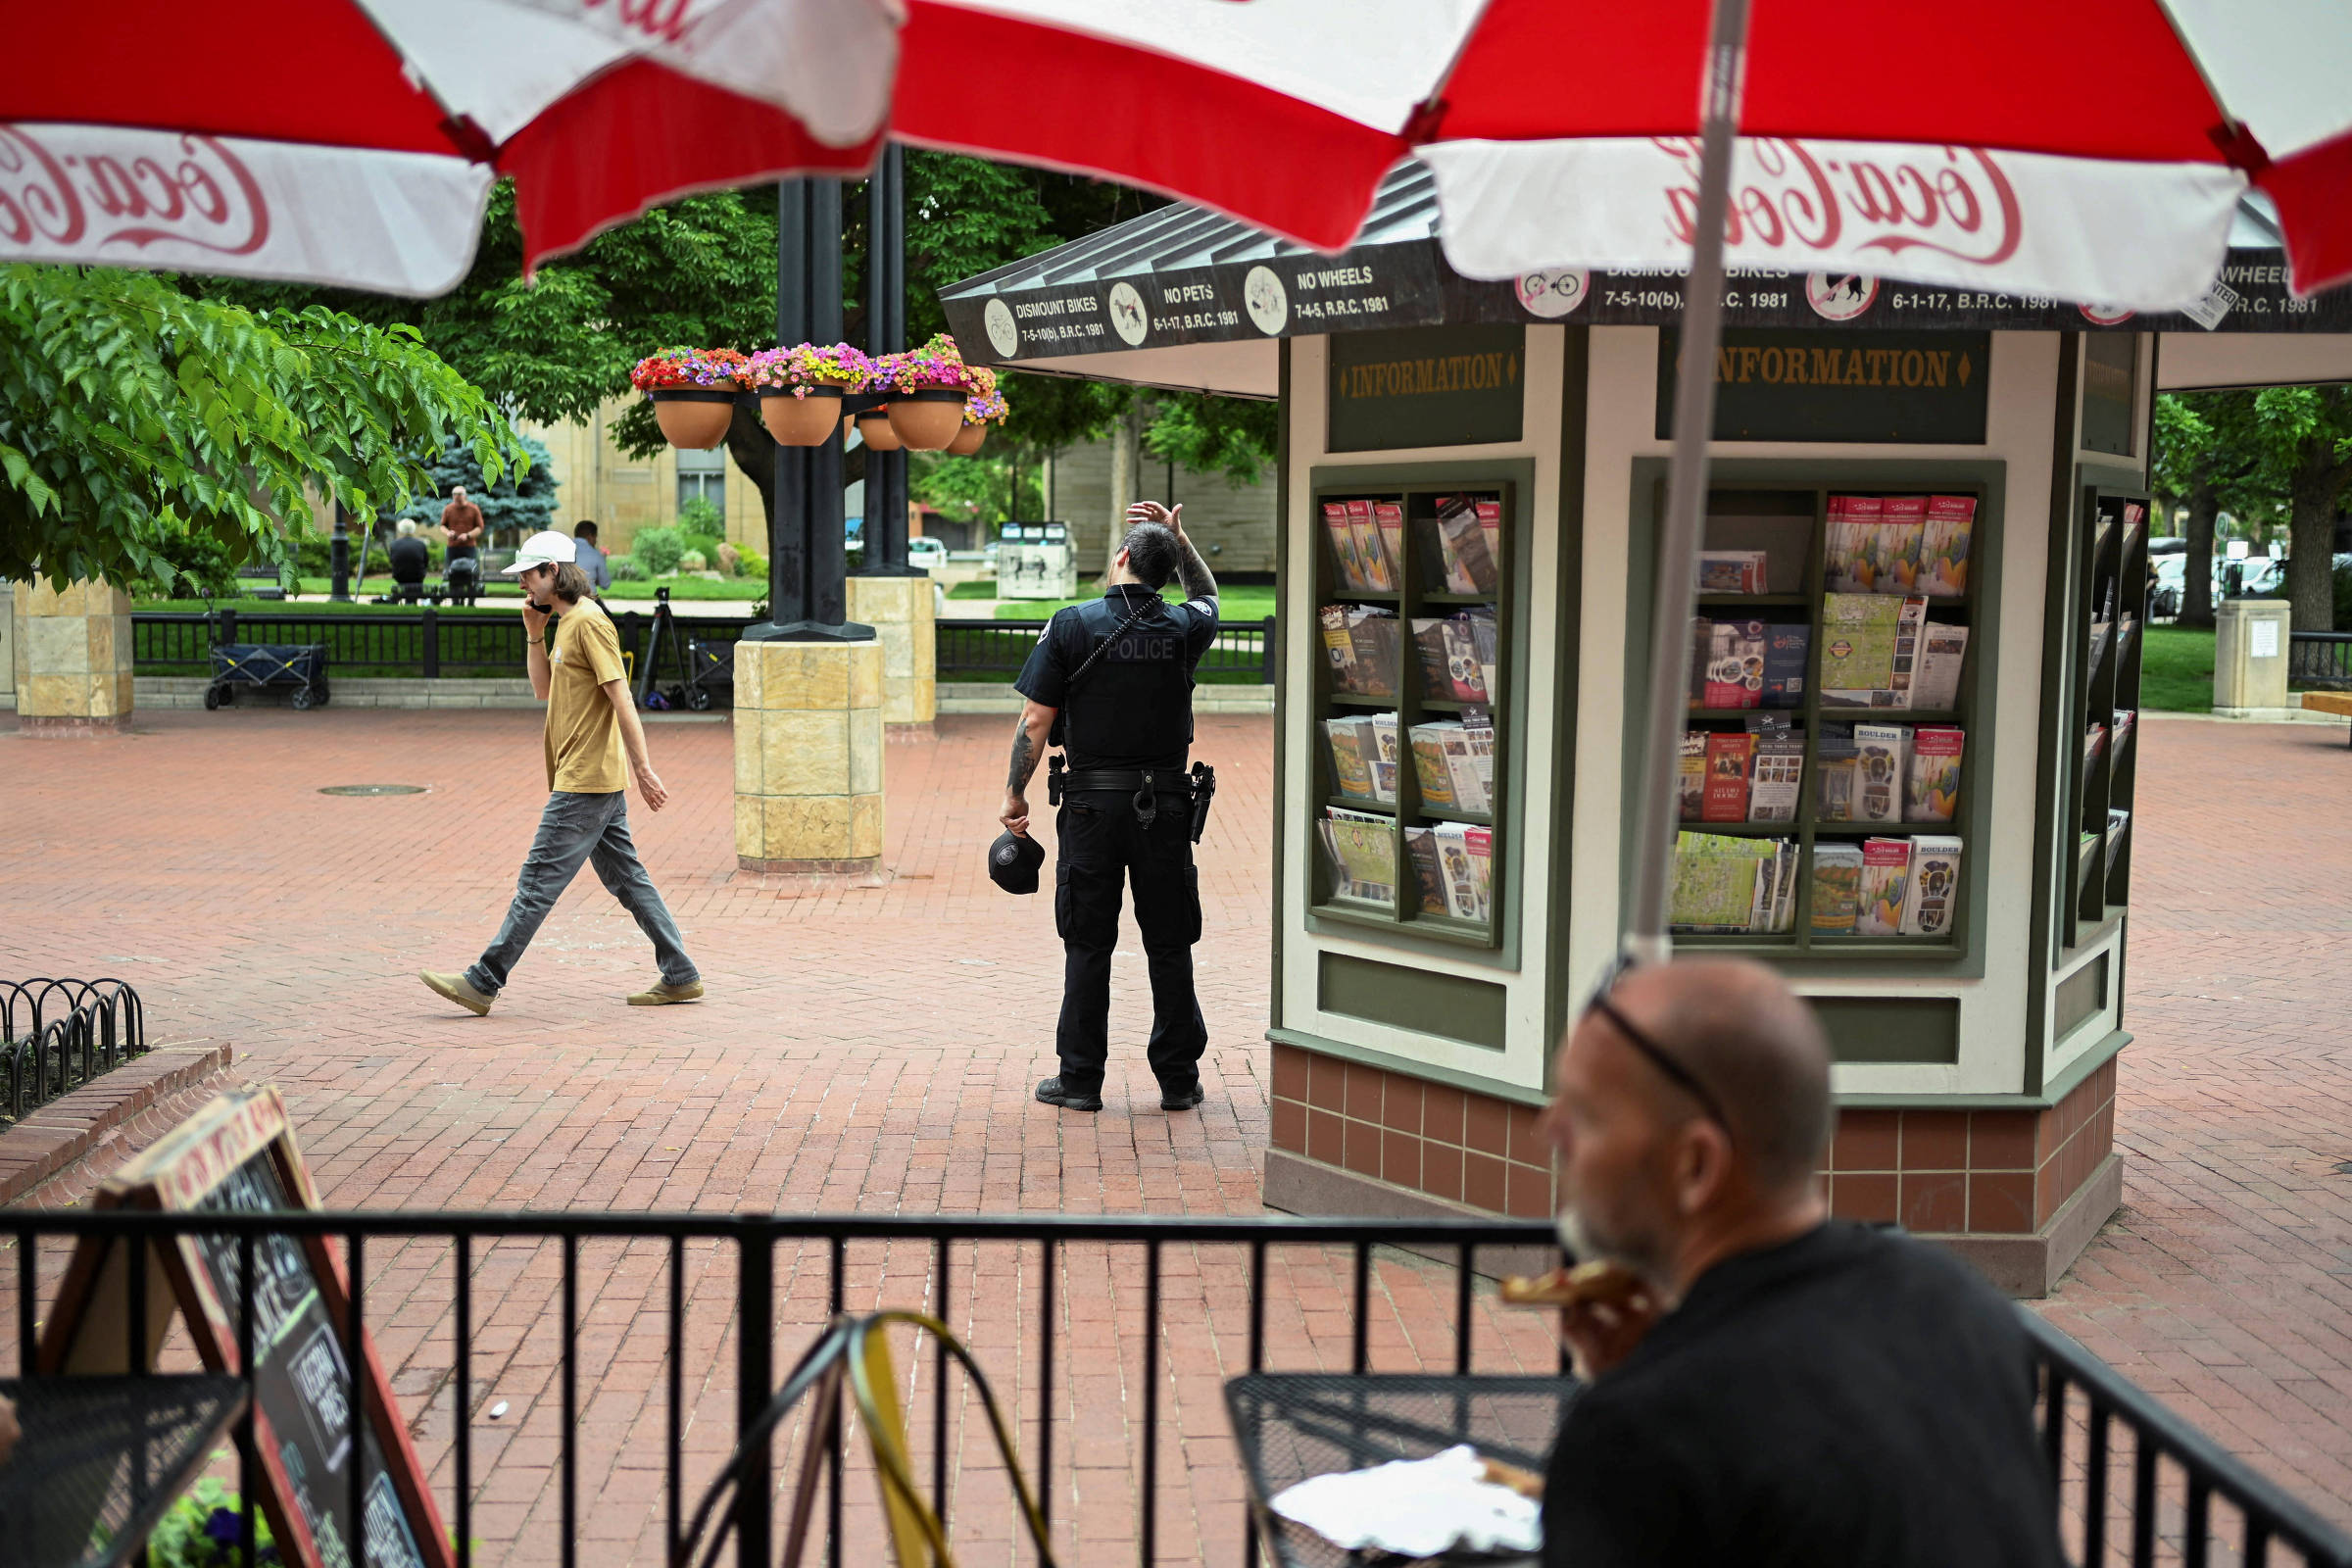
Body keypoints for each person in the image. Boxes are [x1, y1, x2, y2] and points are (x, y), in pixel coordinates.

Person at [1535, 956, 2065, 1568]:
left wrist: (1646, 1393)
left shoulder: (1637, 1438)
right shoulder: (1962, 1306)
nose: (1551, 1131)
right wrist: (1654, 1367)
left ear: (1696, 1166)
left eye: (1586, 1114)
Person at [420, 530, 703, 1015]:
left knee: (537, 880)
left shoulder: (589, 622)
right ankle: (680, 974)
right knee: (628, 880)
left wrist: (643, 767)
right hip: (589, 777)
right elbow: (544, 691)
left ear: (553, 571)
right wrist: (534, 632)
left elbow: (621, 697)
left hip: (585, 779)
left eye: (529, 575)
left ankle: (483, 982)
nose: (522, 584)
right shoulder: (567, 623)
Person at [1003, 501, 1218, 1113]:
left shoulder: (1071, 625)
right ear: (1166, 570)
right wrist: (1180, 541)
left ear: (1122, 556)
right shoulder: (1184, 626)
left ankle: (1079, 1081)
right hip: (1166, 807)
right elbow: (1208, 598)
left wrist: (1015, 792)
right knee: (1169, 943)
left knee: (1088, 943)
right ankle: (1178, 1080)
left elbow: (1035, 719)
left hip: (1090, 810)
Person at [441, 485, 485, 564]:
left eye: (459, 494)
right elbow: (442, 526)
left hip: (469, 546)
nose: (456, 497)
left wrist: (468, 535)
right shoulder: (448, 509)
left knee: (470, 569)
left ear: (465, 496)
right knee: (451, 570)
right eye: (454, 494)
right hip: (452, 546)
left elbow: (480, 527)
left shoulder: (474, 508)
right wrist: (448, 533)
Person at [387, 518, 430, 593]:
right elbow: (426, 562)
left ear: (400, 529)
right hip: (418, 576)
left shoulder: (394, 544)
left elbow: (392, 561)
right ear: (413, 529)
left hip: (399, 576)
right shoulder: (421, 544)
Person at [571, 519, 612, 591]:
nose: (596, 541)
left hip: (565, 596)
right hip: (588, 595)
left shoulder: (563, 550)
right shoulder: (596, 555)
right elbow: (605, 584)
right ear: (590, 536)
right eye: (595, 537)